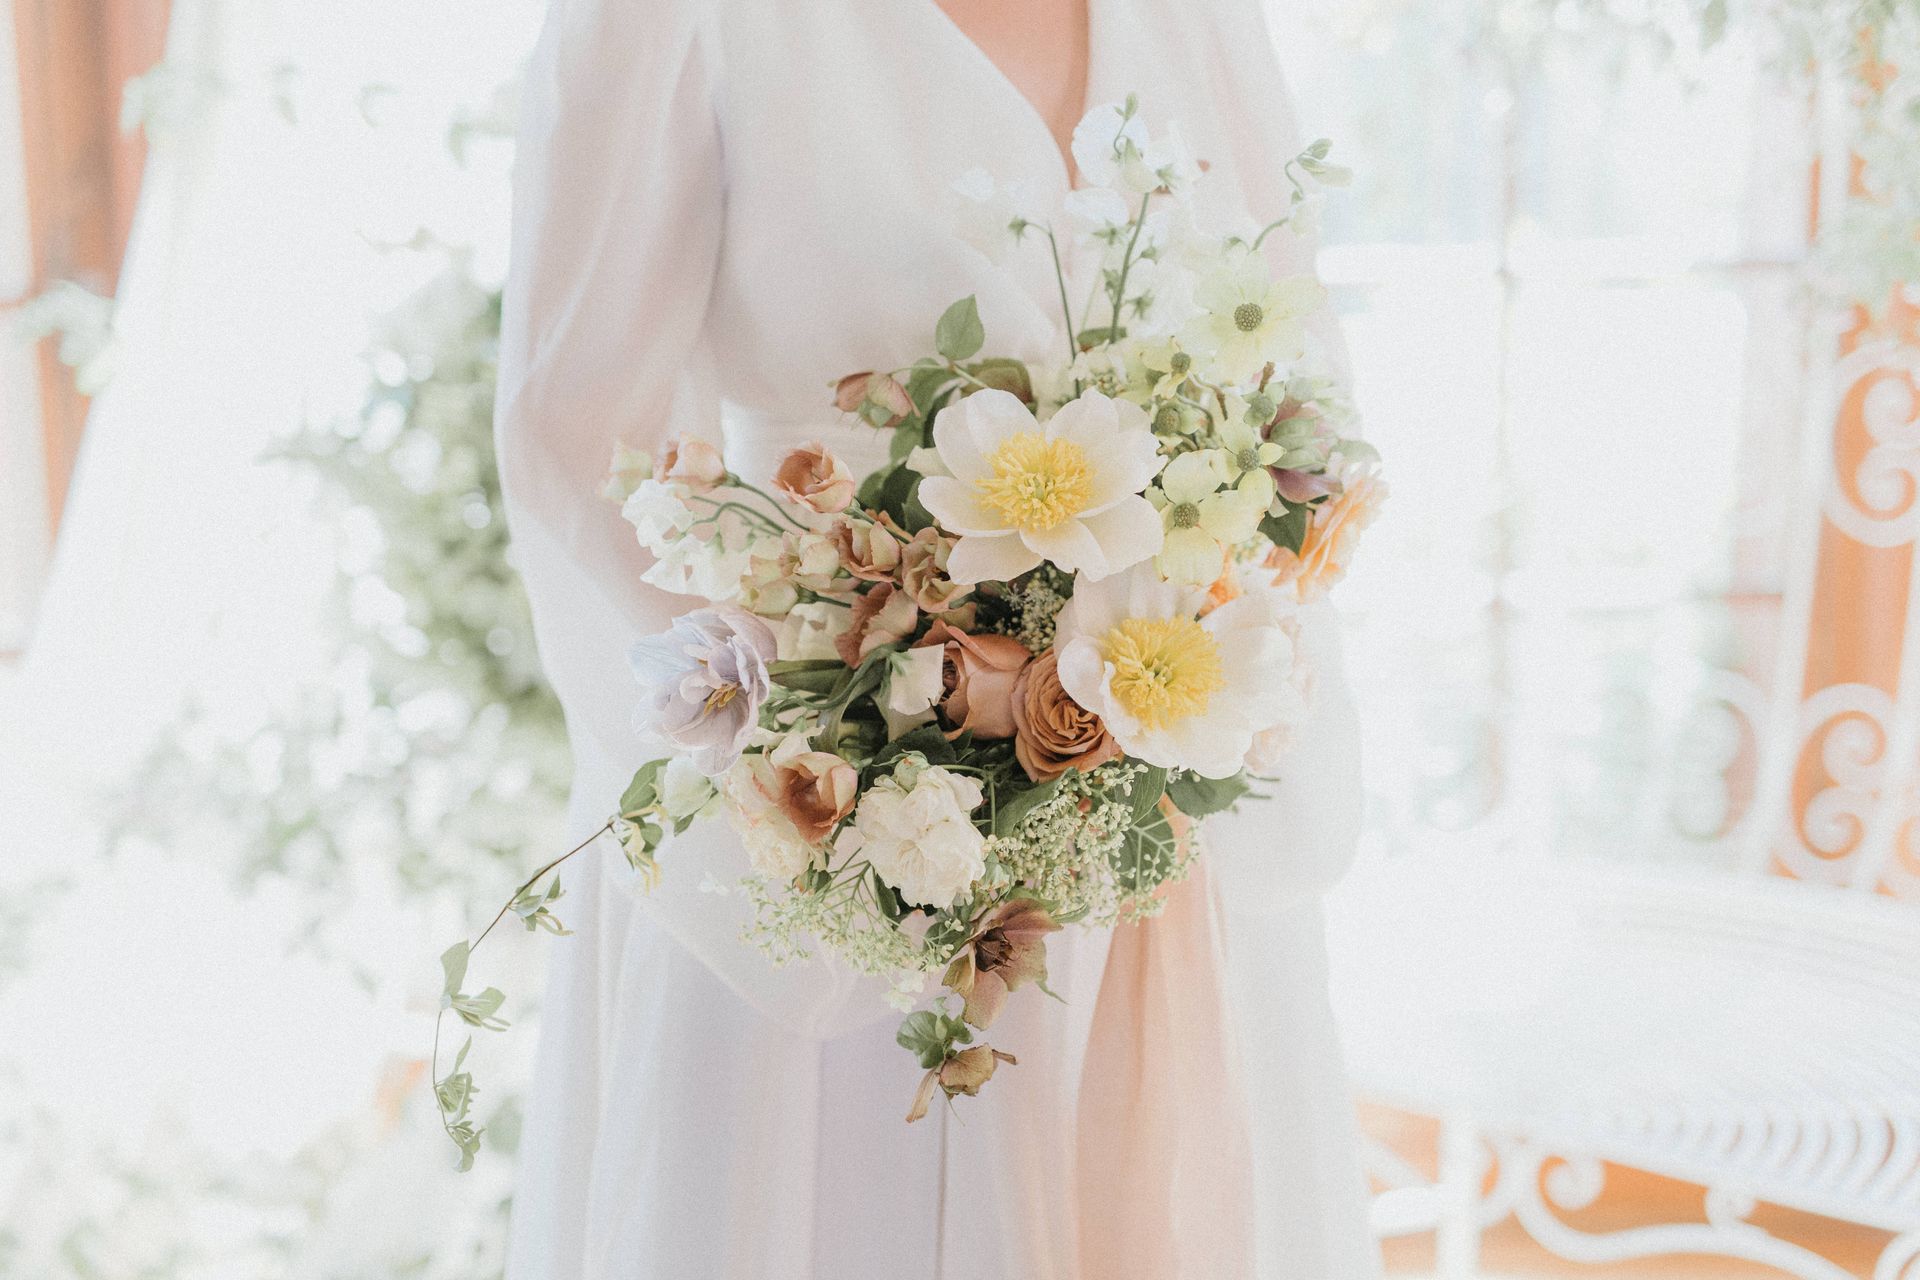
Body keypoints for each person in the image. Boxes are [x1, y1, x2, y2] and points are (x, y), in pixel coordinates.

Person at [494, 0, 1378, 1275]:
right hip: (839, 839)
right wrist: (842, 732)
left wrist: (1196, 671)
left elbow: (1299, 401)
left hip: (1167, 825)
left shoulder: (1199, 22)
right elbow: (579, 443)